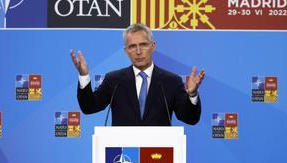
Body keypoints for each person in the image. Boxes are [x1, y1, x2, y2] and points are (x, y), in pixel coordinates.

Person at [70, 23, 205, 126]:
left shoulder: (171, 81)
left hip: (158, 156)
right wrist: (84, 76)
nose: (138, 51)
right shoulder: (114, 80)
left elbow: (190, 118)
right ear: (126, 50)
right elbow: (89, 107)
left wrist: (192, 95)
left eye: (143, 45)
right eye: (132, 46)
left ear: (153, 46)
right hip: (122, 156)